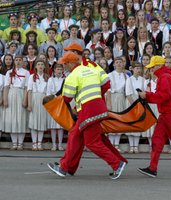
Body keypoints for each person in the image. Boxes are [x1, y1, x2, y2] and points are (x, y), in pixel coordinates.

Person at [47, 51, 127, 180]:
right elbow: (106, 83)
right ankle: (64, 167)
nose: (64, 66)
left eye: (65, 63)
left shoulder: (73, 75)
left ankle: (117, 163)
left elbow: (67, 98)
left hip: (88, 111)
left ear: (72, 63)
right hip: (97, 107)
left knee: (92, 142)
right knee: (75, 135)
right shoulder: (92, 68)